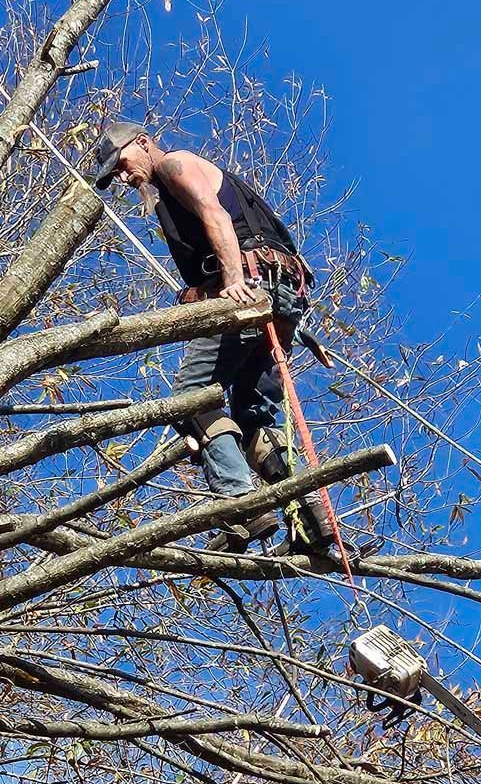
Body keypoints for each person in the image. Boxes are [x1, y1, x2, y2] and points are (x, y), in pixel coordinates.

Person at [93, 119, 334, 554]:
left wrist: (233, 283)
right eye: (116, 176)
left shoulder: (175, 167)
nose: (125, 178)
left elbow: (214, 214)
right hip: (280, 296)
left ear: (144, 142)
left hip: (253, 291)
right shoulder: (181, 179)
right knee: (255, 418)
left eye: (123, 164)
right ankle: (312, 522)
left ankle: (239, 504)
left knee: (191, 397)